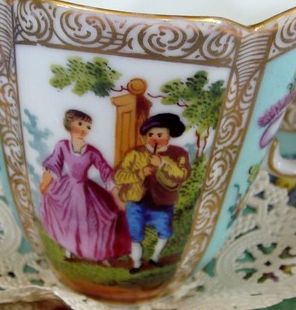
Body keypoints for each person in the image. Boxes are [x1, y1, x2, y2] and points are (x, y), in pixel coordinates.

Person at [39, 109, 129, 262]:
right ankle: (69, 249)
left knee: (91, 220)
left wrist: (117, 194)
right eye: (80, 124)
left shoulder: (92, 152)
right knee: (68, 218)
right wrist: (45, 183)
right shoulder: (62, 146)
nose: (83, 130)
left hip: (84, 191)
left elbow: (105, 172)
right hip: (66, 188)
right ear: (69, 124)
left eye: (87, 127)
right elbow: (54, 164)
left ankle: (96, 252)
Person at [114, 113, 191, 273]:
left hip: (163, 202)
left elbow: (183, 175)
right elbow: (118, 176)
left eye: (160, 135)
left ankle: (155, 256)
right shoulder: (136, 153)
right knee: (134, 234)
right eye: (151, 134)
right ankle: (136, 263)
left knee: (164, 231)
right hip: (136, 201)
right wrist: (140, 173)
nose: (155, 138)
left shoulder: (178, 153)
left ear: (168, 136)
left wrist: (163, 163)